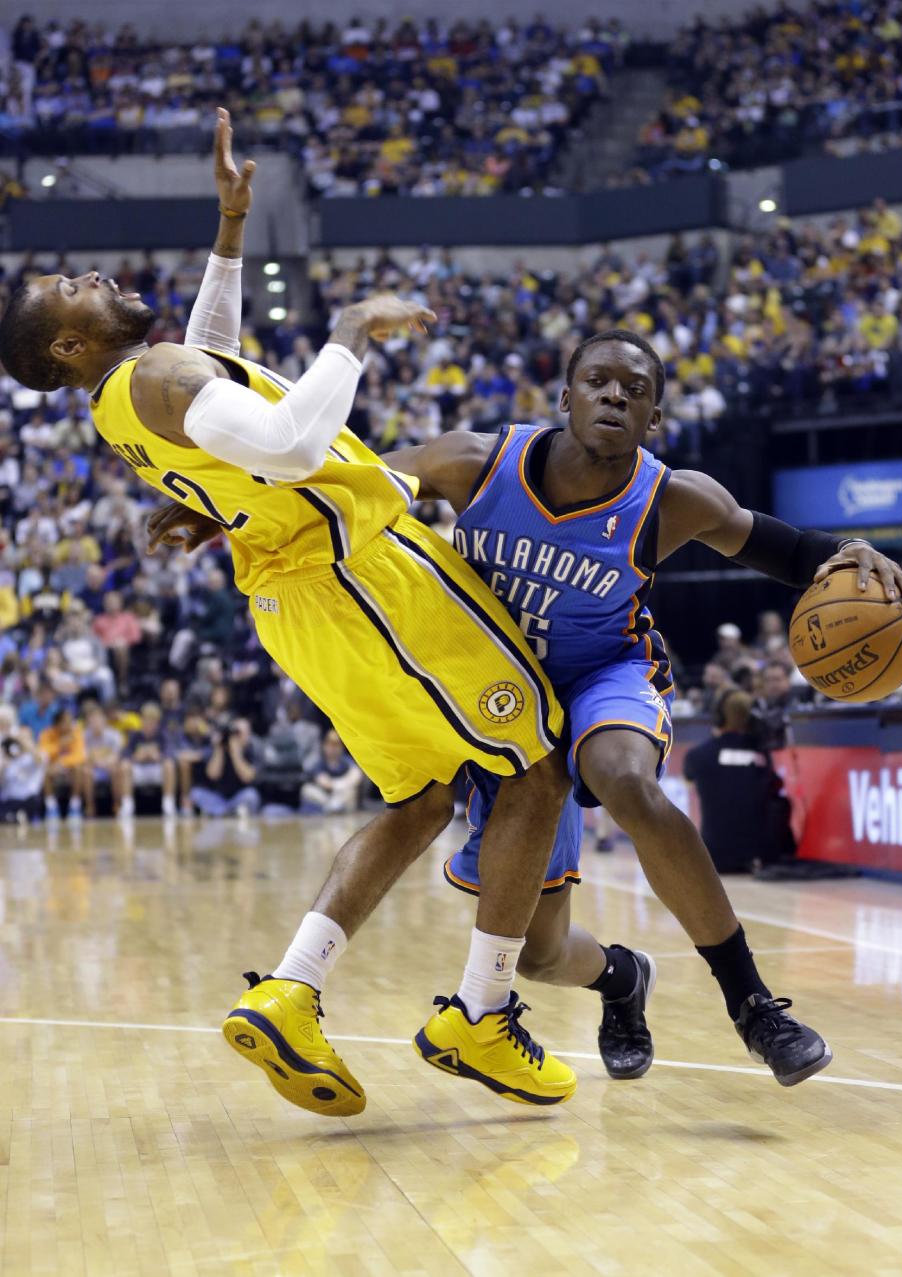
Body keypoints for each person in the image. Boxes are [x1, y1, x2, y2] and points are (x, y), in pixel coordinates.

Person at [0, 107, 573, 1115]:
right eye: (73, 288)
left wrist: (230, 228)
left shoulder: (128, 399)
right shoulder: (152, 376)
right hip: (360, 578)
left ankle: (293, 991)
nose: (96, 276)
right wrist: (347, 335)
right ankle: (479, 1013)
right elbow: (292, 447)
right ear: (72, 341)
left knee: (424, 797)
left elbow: (212, 379)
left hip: (298, 597)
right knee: (530, 765)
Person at [342, 328, 902, 1087]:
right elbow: (350, 487)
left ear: (653, 420)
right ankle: (620, 978)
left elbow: (780, 547)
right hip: (506, 705)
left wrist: (852, 550)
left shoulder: (673, 498)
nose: (616, 395)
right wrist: (234, 513)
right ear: (565, 397)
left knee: (627, 779)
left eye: (635, 390)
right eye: (601, 381)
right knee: (542, 954)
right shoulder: (474, 462)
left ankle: (753, 1006)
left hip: (608, 672)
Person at [683, 689, 794, 872]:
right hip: (760, 858)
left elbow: (688, 780)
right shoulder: (763, 755)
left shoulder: (697, 755)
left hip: (715, 859)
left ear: (718, 717)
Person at [190, 716, 262, 817]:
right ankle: (227, 812)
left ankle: (220, 813)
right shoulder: (220, 748)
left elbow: (247, 777)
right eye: (234, 733)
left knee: (251, 795)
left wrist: (236, 753)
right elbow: (212, 775)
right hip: (219, 798)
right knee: (196, 793)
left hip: (240, 797)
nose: (236, 736)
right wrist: (218, 749)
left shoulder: (252, 750)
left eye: (239, 733)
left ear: (248, 734)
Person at [118, 701, 177, 818]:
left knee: (169, 765)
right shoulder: (134, 735)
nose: (149, 723)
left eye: (152, 720)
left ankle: (168, 804)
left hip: (157, 769)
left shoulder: (163, 735)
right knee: (124, 766)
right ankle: (127, 805)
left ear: (157, 722)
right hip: (139, 769)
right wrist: (136, 757)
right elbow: (125, 754)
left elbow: (170, 754)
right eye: (146, 720)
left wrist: (157, 756)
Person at [38, 706, 87, 822]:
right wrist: (60, 745)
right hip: (52, 769)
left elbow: (80, 756)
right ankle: (51, 807)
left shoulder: (76, 733)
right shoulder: (46, 734)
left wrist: (62, 763)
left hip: (69, 768)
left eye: (71, 721)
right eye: (67, 721)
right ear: (58, 723)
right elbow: (42, 754)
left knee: (79, 769)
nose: (70, 724)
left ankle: (74, 806)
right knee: (44, 771)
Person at [301, 729, 363, 814]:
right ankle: (330, 807)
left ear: (341, 746)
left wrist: (339, 786)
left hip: (343, 795)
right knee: (307, 789)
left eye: (336, 744)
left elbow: (356, 775)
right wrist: (339, 784)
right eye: (330, 744)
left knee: (351, 792)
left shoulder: (346, 761)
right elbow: (323, 782)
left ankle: (336, 807)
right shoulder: (320, 762)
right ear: (324, 745)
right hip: (326, 797)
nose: (333, 748)